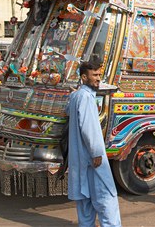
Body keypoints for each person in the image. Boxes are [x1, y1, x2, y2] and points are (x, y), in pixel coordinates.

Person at [65, 59, 121, 227]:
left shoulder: (77, 96)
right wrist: (96, 152)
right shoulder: (86, 97)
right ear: (83, 77)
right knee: (106, 199)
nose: (98, 79)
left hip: (80, 159)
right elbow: (88, 127)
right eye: (94, 75)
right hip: (92, 158)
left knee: (85, 202)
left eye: (99, 75)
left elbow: (68, 111)